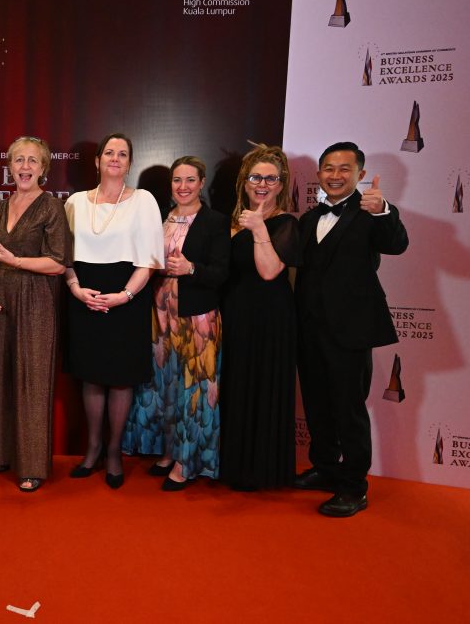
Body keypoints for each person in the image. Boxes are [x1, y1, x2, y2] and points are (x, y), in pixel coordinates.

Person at [294, 142, 408, 517]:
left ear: (360, 174)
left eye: (345, 169)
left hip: (351, 331)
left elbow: (397, 244)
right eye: (329, 168)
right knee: (317, 405)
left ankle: (354, 486)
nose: (336, 175)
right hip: (310, 329)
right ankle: (325, 468)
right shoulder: (309, 218)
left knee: (349, 410)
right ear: (319, 174)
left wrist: (383, 210)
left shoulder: (371, 211)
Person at [64, 133, 164, 489]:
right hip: (84, 295)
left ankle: (113, 452)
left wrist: (124, 295)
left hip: (127, 298)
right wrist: (75, 289)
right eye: (109, 152)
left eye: (123, 154)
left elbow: (150, 260)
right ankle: (92, 448)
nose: (115, 158)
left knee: (120, 378)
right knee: (91, 376)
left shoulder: (144, 200)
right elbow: (63, 256)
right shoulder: (75, 202)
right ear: (97, 161)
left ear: (130, 162)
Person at [123, 156, 229, 490]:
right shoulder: (161, 217)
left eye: (190, 180)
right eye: (177, 180)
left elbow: (222, 273)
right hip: (159, 315)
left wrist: (191, 268)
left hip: (197, 319)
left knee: (194, 391)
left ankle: (188, 463)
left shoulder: (215, 221)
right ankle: (170, 451)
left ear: (202, 182)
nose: (183, 187)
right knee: (165, 386)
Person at [0, 136, 71, 492]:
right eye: (19, 160)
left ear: (44, 167)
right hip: (1, 299)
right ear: (10, 167)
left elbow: (58, 263)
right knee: (2, 375)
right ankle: (1, 454)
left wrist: (16, 262)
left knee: (33, 379)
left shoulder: (52, 207)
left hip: (37, 299)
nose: (25, 166)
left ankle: (32, 467)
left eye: (33, 160)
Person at [218, 144, 300, 491]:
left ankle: (262, 471)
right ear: (244, 182)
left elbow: (269, 271)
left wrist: (259, 229)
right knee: (237, 386)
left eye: (271, 179)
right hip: (236, 316)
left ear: (281, 184)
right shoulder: (232, 223)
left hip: (271, 320)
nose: (263, 184)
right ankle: (234, 467)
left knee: (264, 387)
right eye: (256, 177)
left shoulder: (286, 223)